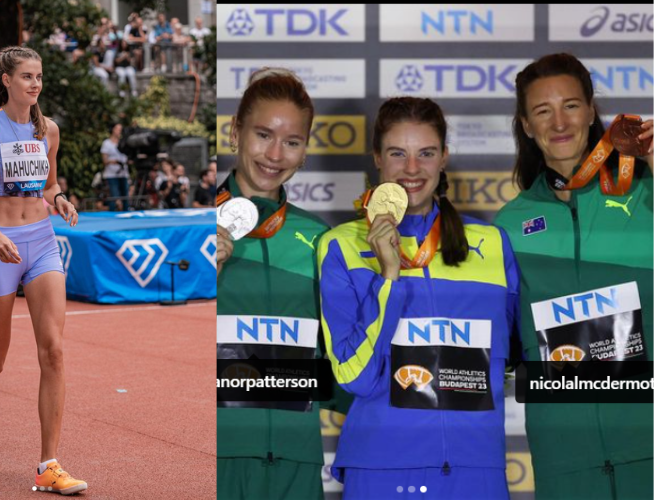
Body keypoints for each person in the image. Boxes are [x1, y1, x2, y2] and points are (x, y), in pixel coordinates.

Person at [318, 97, 519, 499]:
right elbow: (354, 376)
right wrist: (388, 278)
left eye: (426, 153)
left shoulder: (493, 243)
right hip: (381, 465)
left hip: (476, 464)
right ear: (378, 158)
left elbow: (510, 357)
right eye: (398, 153)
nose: (412, 168)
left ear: (444, 157)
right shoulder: (341, 245)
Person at [494, 53, 653, 500]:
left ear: (590, 111)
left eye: (571, 105)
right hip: (564, 455)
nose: (559, 122)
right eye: (543, 111)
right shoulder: (508, 224)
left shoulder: (644, 189)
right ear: (526, 126)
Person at [0, 45, 86, 495]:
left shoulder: (48, 129)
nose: (36, 84)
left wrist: (60, 199)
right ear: (7, 80)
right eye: (28, 76)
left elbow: (48, 185)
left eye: (40, 76)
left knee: (54, 352)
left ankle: (48, 465)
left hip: (43, 245)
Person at [216, 68, 329, 500]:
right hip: (216, 457)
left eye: (292, 142)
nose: (275, 154)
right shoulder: (195, 228)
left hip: (297, 460)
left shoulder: (320, 239)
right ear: (235, 132)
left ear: (305, 151)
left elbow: (341, 357)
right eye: (263, 135)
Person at [100, 123, 130, 211]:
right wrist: (114, 162)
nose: (120, 131)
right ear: (113, 129)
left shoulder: (124, 142)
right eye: (118, 129)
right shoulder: (106, 143)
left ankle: (126, 213)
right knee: (114, 197)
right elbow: (104, 160)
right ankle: (112, 214)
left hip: (123, 173)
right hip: (111, 174)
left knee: (125, 197)